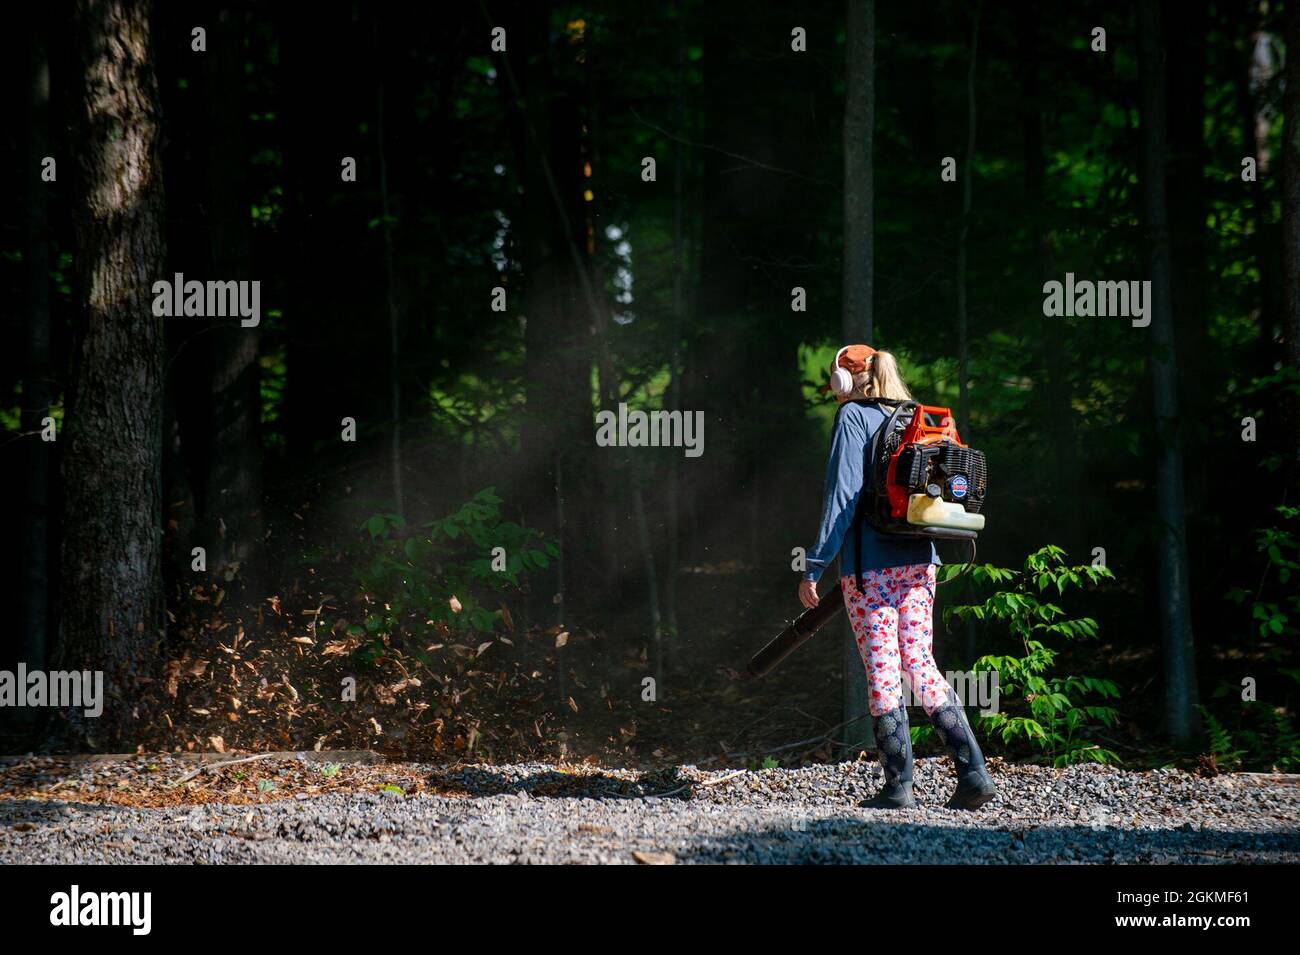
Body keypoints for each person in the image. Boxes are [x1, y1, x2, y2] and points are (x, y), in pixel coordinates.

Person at [799, 344, 997, 810]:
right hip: (922, 562)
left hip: (872, 572)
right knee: (921, 665)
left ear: (845, 381)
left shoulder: (853, 418)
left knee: (885, 673)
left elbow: (842, 497)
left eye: (833, 379)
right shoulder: (917, 418)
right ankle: (973, 775)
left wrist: (815, 565)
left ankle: (898, 787)